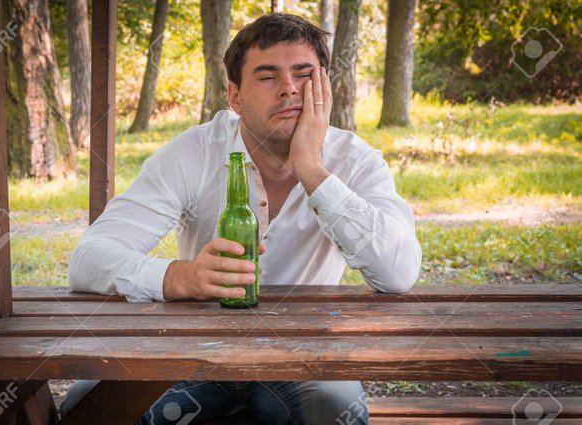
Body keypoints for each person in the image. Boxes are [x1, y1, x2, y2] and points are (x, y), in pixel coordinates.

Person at [65, 13, 421, 425]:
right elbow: (88, 259)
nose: (289, 88)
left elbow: (398, 272)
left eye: (303, 74)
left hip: (305, 355)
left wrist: (311, 168)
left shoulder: (354, 160)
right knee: (89, 405)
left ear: (323, 84)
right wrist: (181, 278)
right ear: (234, 97)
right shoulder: (193, 151)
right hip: (197, 351)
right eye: (267, 77)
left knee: (334, 408)